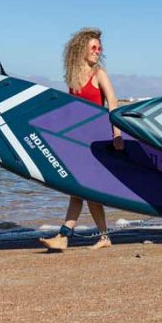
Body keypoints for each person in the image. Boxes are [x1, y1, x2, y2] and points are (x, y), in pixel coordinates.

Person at [40, 27, 124, 252]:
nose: (97, 51)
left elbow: (113, 104)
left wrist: (117, 134)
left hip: (96, 143)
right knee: (85, 191)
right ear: (81, 50)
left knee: (79, 190)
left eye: (99, 48)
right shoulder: (74, 79)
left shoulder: (99, 74)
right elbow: (71, 112)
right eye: (93, 47)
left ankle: (64, 236)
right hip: (78, 143)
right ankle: (103, 237)